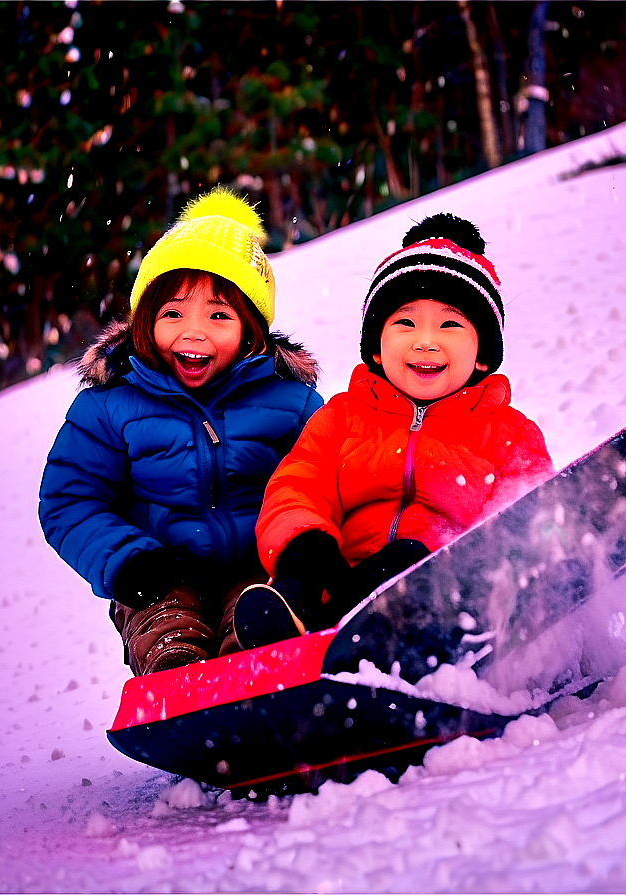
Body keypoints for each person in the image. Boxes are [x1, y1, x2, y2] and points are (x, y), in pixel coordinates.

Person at [235, 212, 554, 650]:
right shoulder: (342, 417)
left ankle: (340, 637)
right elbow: (297, 485)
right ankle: (292, 627)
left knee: (409, 558)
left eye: (450, 324)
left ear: (483, 354)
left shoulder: (509, 435)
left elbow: (530, 520)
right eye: (405, 323)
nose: (426, 341)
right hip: (342, 582)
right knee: (304, 562)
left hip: (447, 603)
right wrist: (304, 542)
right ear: (377, 350)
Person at [38, 187, 323, 675]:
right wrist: (127, 560)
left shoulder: (289, 401)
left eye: (218, 315)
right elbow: (70, 500)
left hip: (261, 569)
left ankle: (260, 670)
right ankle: (178, 686)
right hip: (158, 576)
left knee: (259, 621)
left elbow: (323, 480)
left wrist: (303, 548)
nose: (193, 332)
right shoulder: (111, 404)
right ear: (144, 321)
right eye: (172, 313)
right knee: (169, 628)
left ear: (251, 329)